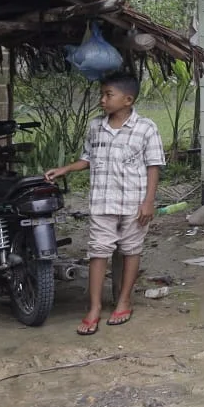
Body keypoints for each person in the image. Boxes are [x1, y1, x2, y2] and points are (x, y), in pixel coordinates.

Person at [47, 73, 165, 336]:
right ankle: (94, 307)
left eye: (108, 95)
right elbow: (87, 158)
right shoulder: (95, 126)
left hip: (134, 204)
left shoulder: (146, 128)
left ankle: (124, 301)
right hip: (102, 202)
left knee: (131, 249)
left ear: (127, 99)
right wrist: (65, 169)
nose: (102, 100)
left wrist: (148, 202)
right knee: (98, 253)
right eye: (102, 94)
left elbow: (153, 166)